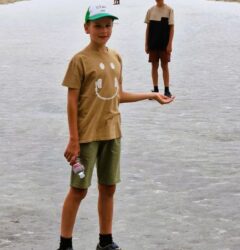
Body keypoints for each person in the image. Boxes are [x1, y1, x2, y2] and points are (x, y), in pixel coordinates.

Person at [57, 2, 174, 250]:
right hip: (87, 137)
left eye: (108, 25)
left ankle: (105, 241)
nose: (103, 30)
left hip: (112, 133)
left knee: (108, 188)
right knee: (78, 190)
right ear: (86, 28)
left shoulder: (116, 57)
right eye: (98, 25)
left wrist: (151, 95)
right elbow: (71, 102)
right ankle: (65, 244)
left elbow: (118, 95)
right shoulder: (79, 60)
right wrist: (73, 139)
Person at [145, 0, 174, 97]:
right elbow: (148, 29)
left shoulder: (169, 10)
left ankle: (167, 90)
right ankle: (156, 89)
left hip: (164, 44)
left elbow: (171, 28)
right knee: (154, 66)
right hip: (153, 43)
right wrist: (146, 44)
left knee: (164, 66)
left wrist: (170, 44)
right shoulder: (150, 10)